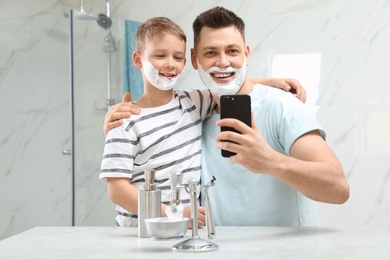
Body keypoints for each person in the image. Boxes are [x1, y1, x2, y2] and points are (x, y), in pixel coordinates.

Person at [102, 7, 346, 227]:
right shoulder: (198, 110)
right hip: (214, 246)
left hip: (283, 252)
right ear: (195, 60)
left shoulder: (280, 105)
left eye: (232, 51)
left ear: (246, 55)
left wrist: (271, 161)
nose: (223, 62)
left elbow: (339, 189)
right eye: (211, 52)